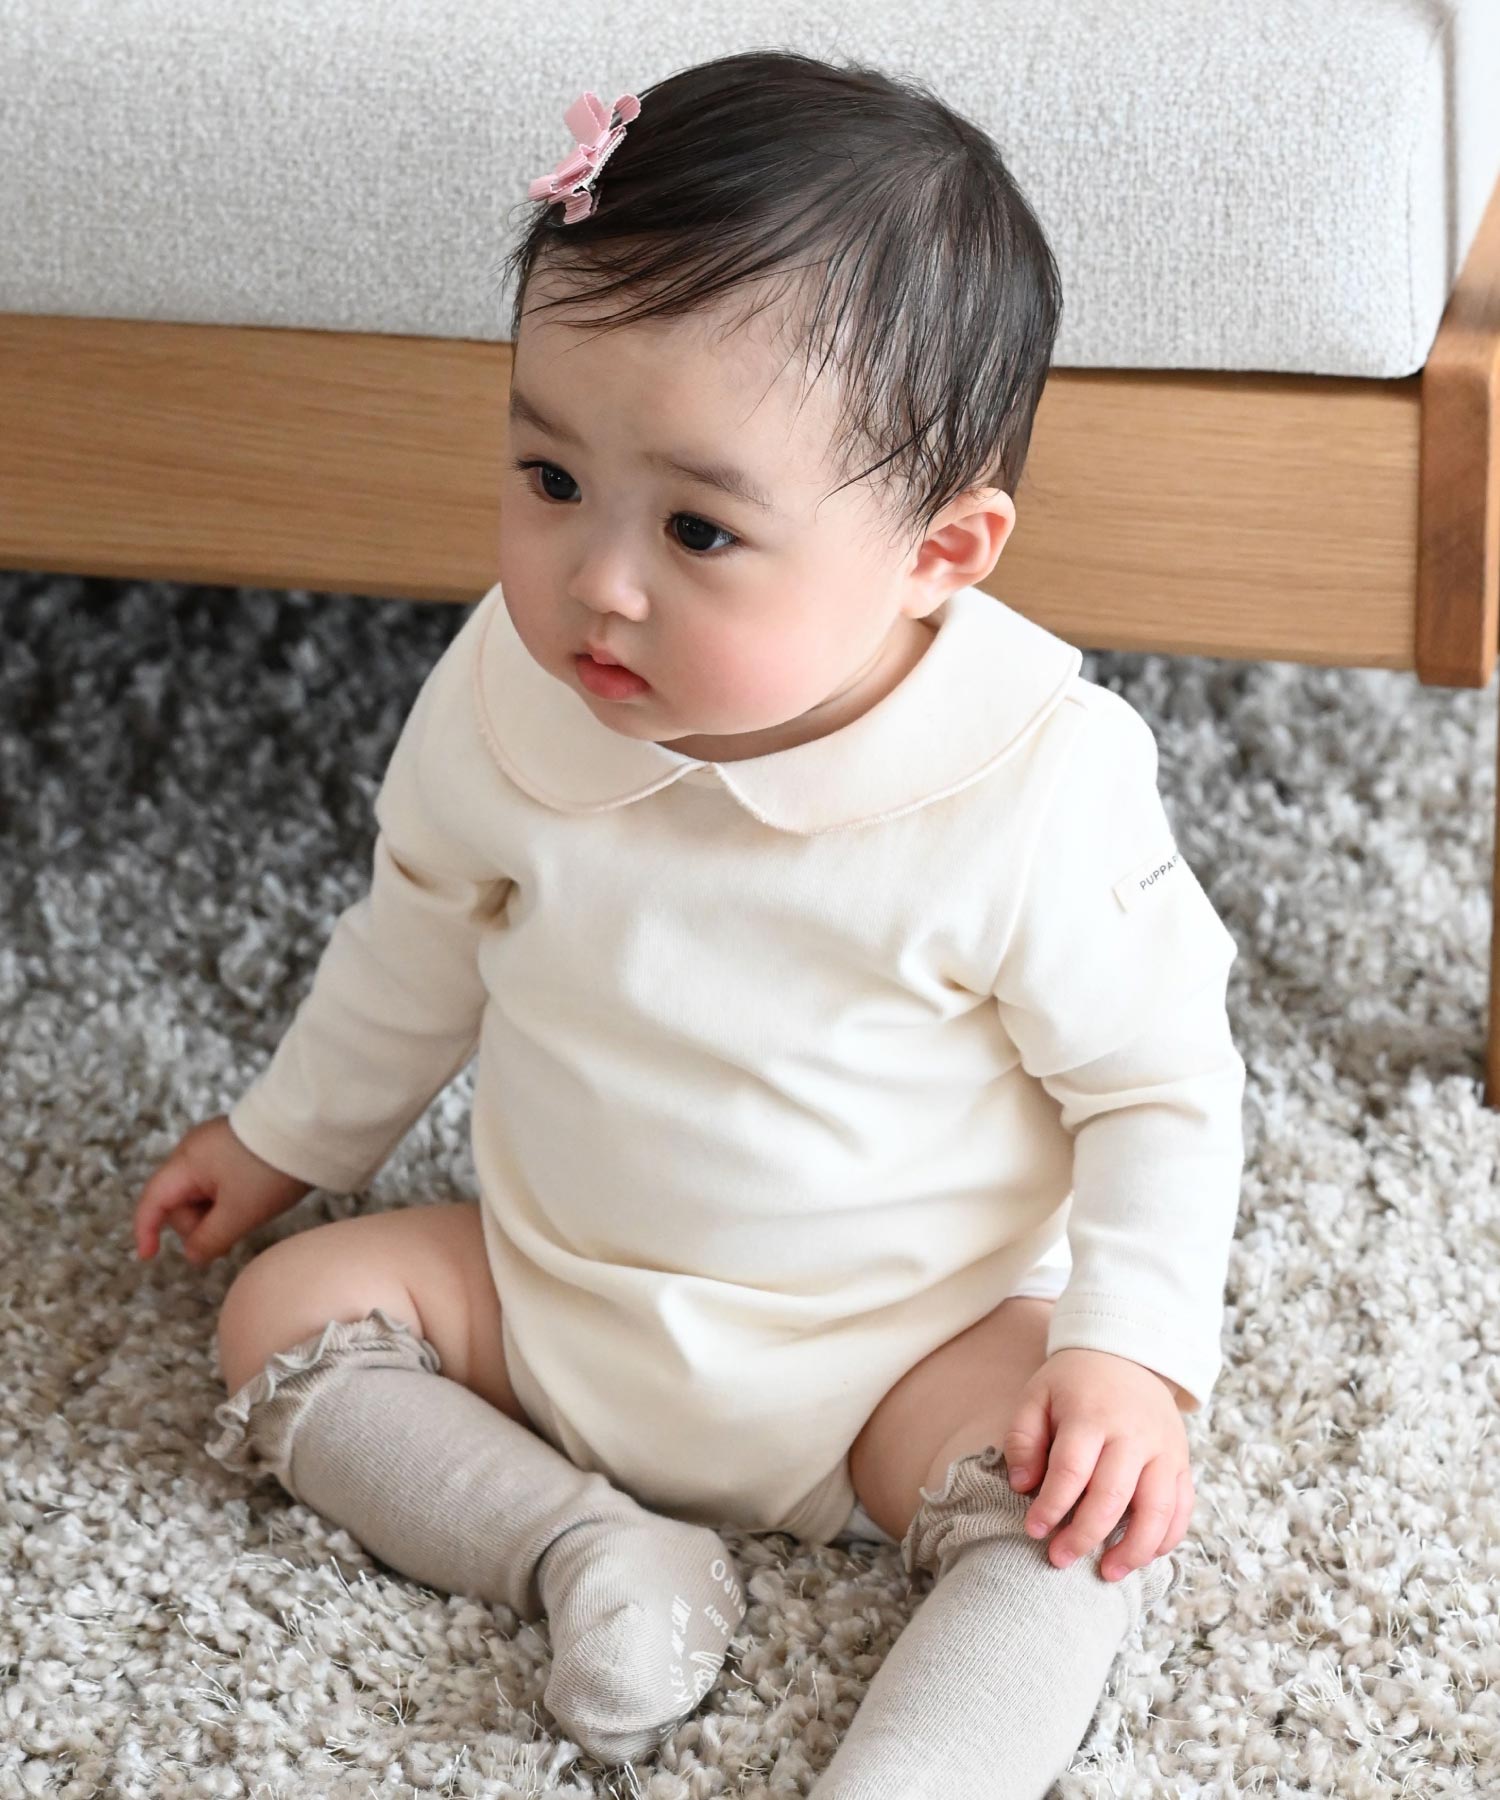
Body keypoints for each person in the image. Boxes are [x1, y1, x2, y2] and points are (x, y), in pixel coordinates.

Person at [133, 49, 1245, 1796]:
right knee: (282, 1315)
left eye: (702, 529)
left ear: (942, 553)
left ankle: (920, 1771)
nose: (599, 582)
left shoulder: (1036, 778)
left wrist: (1125, 1355)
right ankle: (584, 1545)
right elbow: (413, 941)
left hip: (901, 1350)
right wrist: (287, 1140)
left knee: (1077, 1513)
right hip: (555, 1297)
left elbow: (1158, 1088)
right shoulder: (508, 690)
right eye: (550, 478)